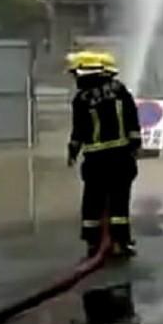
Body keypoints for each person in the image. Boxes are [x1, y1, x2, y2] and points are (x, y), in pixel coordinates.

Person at [66, 51, 142, 257]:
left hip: (95, 159)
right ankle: (120, 242)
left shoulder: (81, 99)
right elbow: (132, 119)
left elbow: (79, 130)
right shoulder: (120, 91)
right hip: (121, 157)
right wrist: (135, 144)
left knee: (92, 200)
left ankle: (93, 242)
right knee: (119, 200)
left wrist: (73, 150)